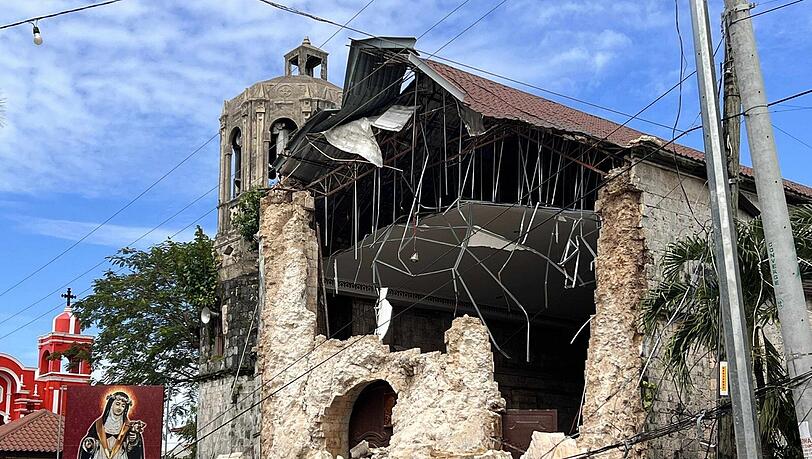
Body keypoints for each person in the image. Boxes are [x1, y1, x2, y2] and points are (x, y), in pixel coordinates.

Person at [78, 391, 145, 459]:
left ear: (125, 409)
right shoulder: (99, 424)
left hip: (120, 456)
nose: (119, 408)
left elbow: (133, 450)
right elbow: (90, 440)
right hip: (101, 455)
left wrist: (133, 441)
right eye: (117, 404)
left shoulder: (128, 426)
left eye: (123, 406)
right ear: (111, 404)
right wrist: (91, 443)